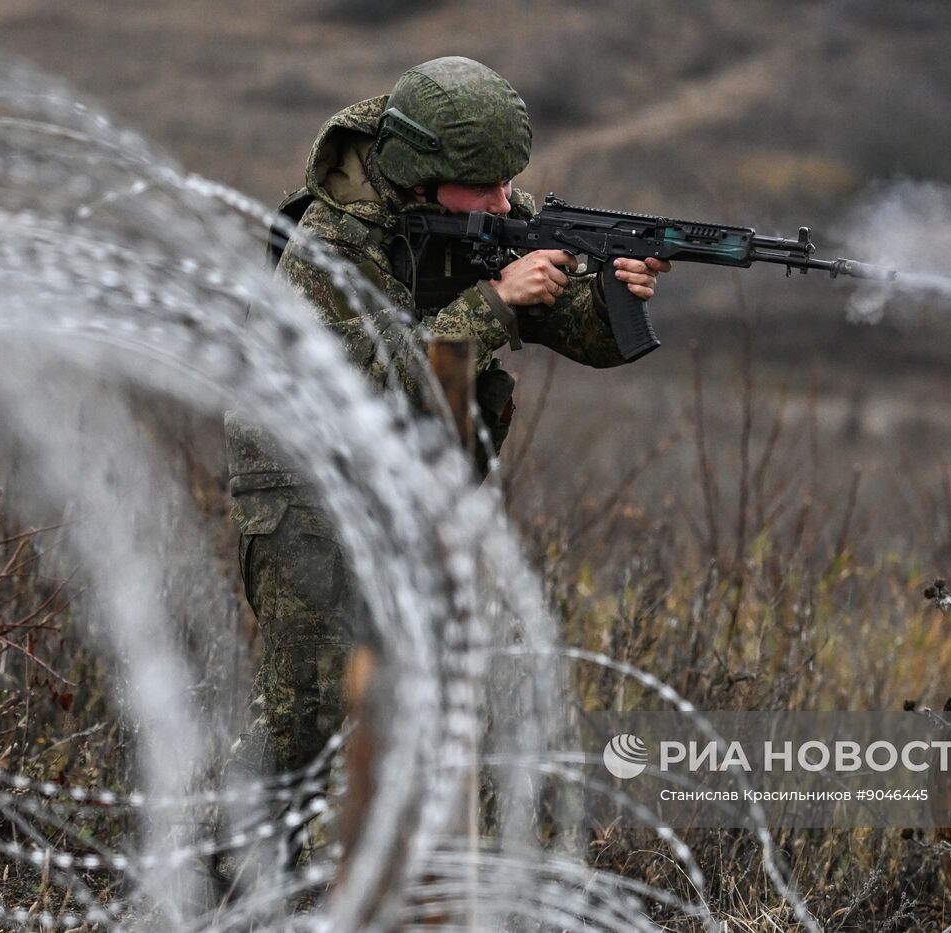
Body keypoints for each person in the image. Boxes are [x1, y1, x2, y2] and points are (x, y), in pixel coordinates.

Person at [222, 57, 670, 803]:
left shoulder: (484, 215)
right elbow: (365, 384)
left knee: (441, 704)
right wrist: (493, 303)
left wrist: (612, 291)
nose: (505, 202)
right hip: (303, 488)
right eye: (485, 186)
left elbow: (581, 334)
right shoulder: (326, 246)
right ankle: (207, 886)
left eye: (507, 181)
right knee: (302, 718)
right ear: (423, 174)